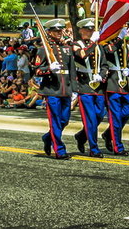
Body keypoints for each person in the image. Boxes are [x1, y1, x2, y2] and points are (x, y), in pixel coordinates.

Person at [36, 18, 75, 160]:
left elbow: (72, 70)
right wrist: (48, 69)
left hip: (65, 89)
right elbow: (37, 70)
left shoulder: (66, 48)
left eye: (61, 30)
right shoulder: (44, 49)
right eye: (56, 31)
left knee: (64, 120)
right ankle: (59, 150)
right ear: (49, 32)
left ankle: (48, 137)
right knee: (55, 120)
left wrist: (74, 89)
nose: (59, 33)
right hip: (52, 90)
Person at [71, 18, 107, 158]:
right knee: (90, 118)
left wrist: (102, 75)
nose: (90, 31)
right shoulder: (76, 44)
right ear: (80, 30)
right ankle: (94, 148)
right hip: (84, 85)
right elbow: (82, 55)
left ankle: (81, 135)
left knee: (99, 115)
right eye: (87, 29)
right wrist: (93, 42)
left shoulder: (98, 47)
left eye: (92, 29)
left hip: (97, 86)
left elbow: (104, 65)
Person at [101, 36, 129, 156]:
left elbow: (128, 60)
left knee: (127, 113)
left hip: (124, 84)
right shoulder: (104, 43)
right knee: (115, 117)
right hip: (111, 84)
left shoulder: (122, 44)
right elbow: (109, 51)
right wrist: (117, 42)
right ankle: (117, 146)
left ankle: (108, 134)